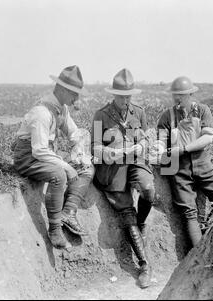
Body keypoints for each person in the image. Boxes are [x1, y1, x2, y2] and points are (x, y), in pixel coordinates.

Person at [12, 65, 94, 249]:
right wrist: (67, 166)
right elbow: (39, 150)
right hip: (29, 158)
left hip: (47, 154)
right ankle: (55, 229)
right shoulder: (42, 112)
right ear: (63, 90)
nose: (76, 99)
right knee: (59, 174)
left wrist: (80, 152)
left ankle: (68, 212)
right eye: (74, 94)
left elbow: (74, 134)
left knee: (87, 167)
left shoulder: (61, 109)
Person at [91, 68, 154, 288]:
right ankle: (144, 265)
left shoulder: (139, 112)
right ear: (113, 94)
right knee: (127, 211)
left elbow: (146, 138)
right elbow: (95, 147)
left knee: (148, 190)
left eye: (128, 96)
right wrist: (112, 153)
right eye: (121, 96)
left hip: (135, 161)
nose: (125, 100)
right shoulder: (101, 115)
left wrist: (141, 145)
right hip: (114, 167)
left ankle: (142, 223)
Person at [156, 76, 213, 247]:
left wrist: (183, 149)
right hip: (179, 170)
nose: (177, 98)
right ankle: (197, 256)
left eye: (181, 94)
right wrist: (158, 151)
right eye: (175, 95)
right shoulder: (167, 117)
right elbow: (160, 141)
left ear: (190, 94)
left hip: (203, 164)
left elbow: (207, 138)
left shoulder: (202, 110)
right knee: (189, 213)